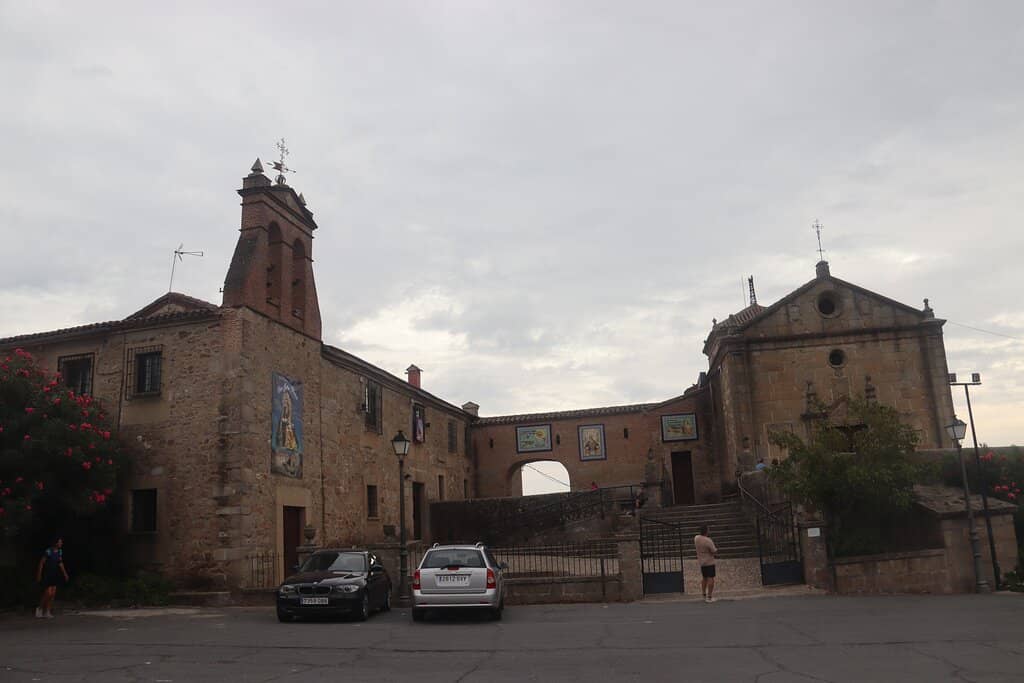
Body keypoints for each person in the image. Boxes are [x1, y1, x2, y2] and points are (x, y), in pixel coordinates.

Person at [36, 537, 69, 619]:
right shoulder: (48, 551)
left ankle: (47, 611)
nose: (61, 543)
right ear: (56, 543)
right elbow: (41, 562)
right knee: (48, 593)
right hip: (47, 574)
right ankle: (39, 609)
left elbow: (60, 563)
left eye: (61, 542)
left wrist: (65, 574)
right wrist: (39, 574)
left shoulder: (60, 552)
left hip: (55, 574)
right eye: (60, 542)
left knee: (53, 594)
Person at [694, 524, 717, 603]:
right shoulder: (708, 540)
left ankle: (703, 594)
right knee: (711, 578)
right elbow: (714, 551)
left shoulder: (696, 538)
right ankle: (709, 596)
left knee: (704, 578)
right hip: (709, 562)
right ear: (707, 531)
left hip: (702, 562)